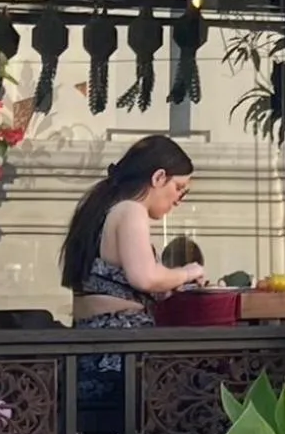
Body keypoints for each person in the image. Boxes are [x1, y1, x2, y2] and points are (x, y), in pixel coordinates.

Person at [60, 135, 203, 412]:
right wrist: (187, 272)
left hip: (92, 354)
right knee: (208, 388)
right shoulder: (130, 210)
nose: (178, 200)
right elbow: (144, 277)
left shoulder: (101, 209)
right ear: (159, 177)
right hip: (120, 359)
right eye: (179, 188)